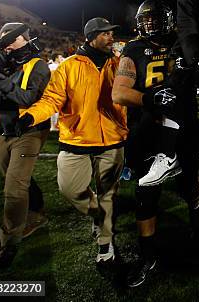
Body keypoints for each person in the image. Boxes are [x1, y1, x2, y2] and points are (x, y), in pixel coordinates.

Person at [19, 17, 128, 264]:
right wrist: (30, 116)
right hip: (76, 138)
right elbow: (52, 100)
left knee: (108, 194)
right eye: (104, 34)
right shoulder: (68, 66)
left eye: (111, 33)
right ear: (90, 37)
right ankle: (98, 217)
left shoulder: (120, 64)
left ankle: (105, 242)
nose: (111, 37)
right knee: (70, 189)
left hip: (112, 138)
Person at [111, 0, 199, 287]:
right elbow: (119, 92)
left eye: (155, 19)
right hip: (147, 129)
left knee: (188, 183)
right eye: (145, 19)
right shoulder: (134, 49)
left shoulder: (184, 42)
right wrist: (151, 99)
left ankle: (195, 213)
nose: (150, 24)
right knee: (145, 192)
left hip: (185, 127)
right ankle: (147, 256)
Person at [0, 22, 51, 269]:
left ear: (25, 40)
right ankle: (38, 211)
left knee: (13, 188)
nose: (7, 44)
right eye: (3, 39)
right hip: (2, 131)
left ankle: (9, 244)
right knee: (17, 178)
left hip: (28, 131)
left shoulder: (38, 65)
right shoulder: (1, 63)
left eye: (13, 39)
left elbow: (27, 98)